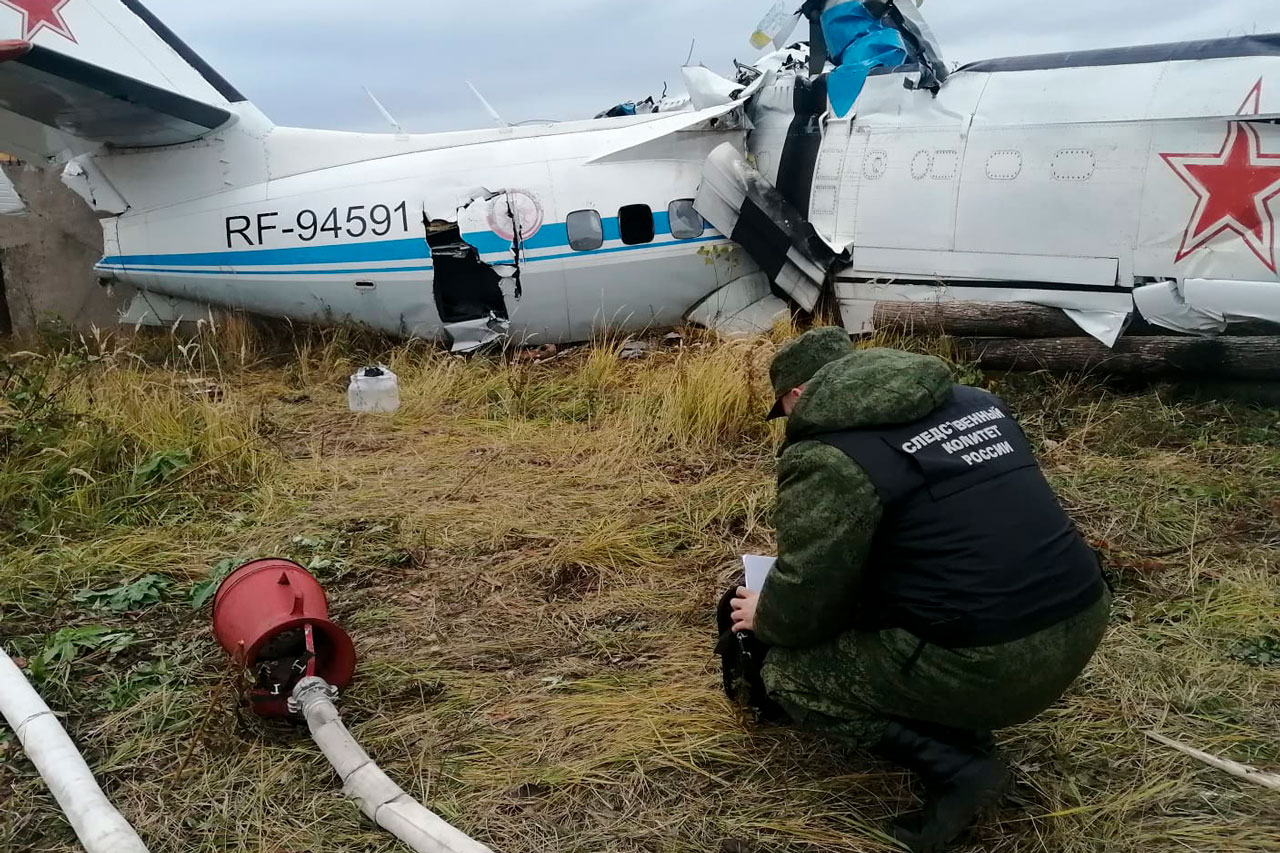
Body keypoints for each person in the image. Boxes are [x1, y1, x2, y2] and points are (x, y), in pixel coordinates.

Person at [719, 327, 1111, 853]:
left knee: (790, 674)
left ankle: (962, 770)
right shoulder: (979, 404)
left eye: (785, 411)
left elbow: (805, 607)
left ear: (794, 396)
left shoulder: (829, 455)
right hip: (1083, 615)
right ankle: (955, 716)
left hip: (993, 659)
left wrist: (766, 612)